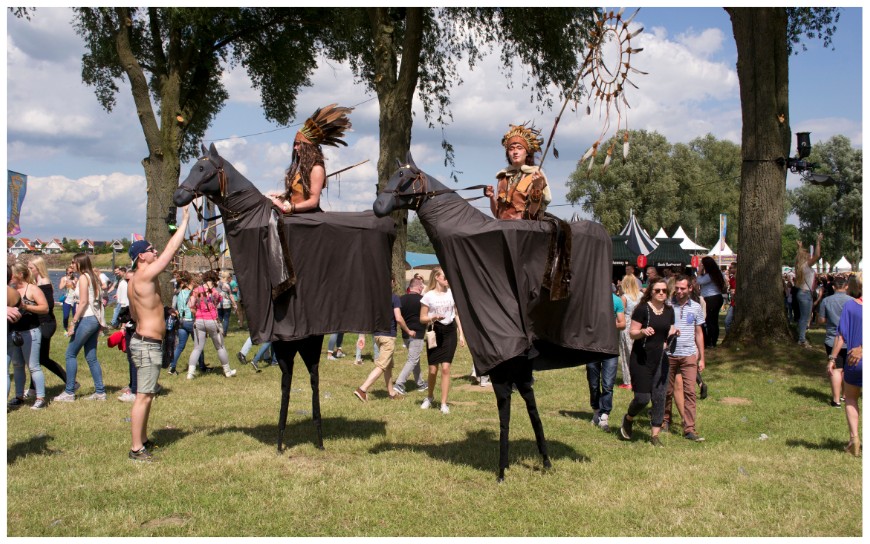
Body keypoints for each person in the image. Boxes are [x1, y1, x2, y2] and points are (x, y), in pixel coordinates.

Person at [126, 207, 191, 461]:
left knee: (148, 394)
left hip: (144, 341)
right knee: (143, 397)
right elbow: (170, 251)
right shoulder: (144, 274)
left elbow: (135, 314)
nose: (155, 251)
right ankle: (136, 449)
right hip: (147, 345)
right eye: (151, 249)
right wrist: (185, 221)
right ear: (141, 257)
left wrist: (160, 311)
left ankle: (142, 439)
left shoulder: (134, 280)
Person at [619, 278, 678, 447]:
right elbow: (632, 332)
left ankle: (654, 435)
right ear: (650, 291)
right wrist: (643, 331)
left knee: (659, 397)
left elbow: (669, 331)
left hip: (661, 359)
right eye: (657, 290)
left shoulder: (669, 311)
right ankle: (629, 418)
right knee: (642, 398)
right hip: (641, 358)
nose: (661, 293)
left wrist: (674, 334)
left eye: (664, 291)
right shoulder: (642, 309)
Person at [267, 104, 353, 214]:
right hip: (296, 216)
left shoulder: (317, 169)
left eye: (298, 144)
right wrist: (282, 198)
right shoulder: (301, 168)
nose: (295, 147)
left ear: (307, 147)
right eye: (295, 144)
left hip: (309, 219)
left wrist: (285, 208)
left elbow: (312, 202)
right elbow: (299, 197)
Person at [53, 254, 108, 402]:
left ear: (80, 263)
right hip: (95, 319)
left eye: (73, 263)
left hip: (87, 319)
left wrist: (73, 323)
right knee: (91, 357)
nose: (71, 265)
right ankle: (100, 392)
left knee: (70, 354)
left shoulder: (84, 277)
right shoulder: (93, 276)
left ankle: (69, 392)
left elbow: (83, 302)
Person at [354, 274, 414, 402]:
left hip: (377, 336)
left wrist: (363, 336)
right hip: (388, 337)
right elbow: (398, 318)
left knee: (388, 365)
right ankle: (362, 389)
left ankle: (392, 393)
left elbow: (368, 318)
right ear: (392, 282)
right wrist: (408, 331)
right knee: (382, 366)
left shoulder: (375, 299)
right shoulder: (394, 298)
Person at [25, 257, 76, 397]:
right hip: (41, 323)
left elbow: (47, 306)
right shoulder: (36, 282)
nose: (29, 270)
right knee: (37, 359)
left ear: (38, 268)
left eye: (31, 268)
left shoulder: (44, 282)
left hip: (46, 324)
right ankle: (33, 389)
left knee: (41, 359)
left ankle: (71, 382)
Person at [663, 275, 706, 441]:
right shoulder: (667, 305)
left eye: (682, 288)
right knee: (667, 390)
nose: (679, 291)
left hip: (689, 354)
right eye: (677, 288)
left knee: (690, 392)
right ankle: (665, 420)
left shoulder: (696, 307)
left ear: (690, 288)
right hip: (669, 354)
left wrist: (701, 357)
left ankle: (689, 428)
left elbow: (699, 332)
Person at [419, 267, 465, 414]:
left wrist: (461, 333)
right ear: (437, 277)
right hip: (434, 331)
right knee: (433, 370)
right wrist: (433, 317)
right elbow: (422, 318)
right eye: (445, 276)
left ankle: (444, 404)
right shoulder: (428, 296)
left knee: (445, 368)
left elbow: (456, 314)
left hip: (450, 332)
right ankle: (429, 397)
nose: (447, 279)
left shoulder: (452, 293)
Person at [483, 123, 551, 220]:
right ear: (508, 153)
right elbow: (497, 214)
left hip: (524, 228)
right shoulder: (502, 177)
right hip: (502, 227)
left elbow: (533, 215)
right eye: (511, 149)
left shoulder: (536, 176)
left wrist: (537, 188)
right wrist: (491, 197)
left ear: (527, 152)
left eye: (519, 148)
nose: (515, 152)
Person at [827, 272, 862, 456]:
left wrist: (832, 359)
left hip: (854, 361)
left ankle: (854, 438)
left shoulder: (850, 305)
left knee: (850, 398)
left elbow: (840, 336)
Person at [8, 262, 50, 410]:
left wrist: (26, 306)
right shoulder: (12, 290)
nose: (9, 277)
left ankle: (40, 398)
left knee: (33, 366)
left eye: (12, 274)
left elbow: (45, 308)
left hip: (30, 331)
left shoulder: (32, 289)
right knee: (17, 366)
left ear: (20, 275)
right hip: (15, 333)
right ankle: (19, 396)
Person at [588, 287, 625, 431]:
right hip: (592, 348)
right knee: (593, 383)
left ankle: (604, 415)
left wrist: (608, 323)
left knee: (608, 384)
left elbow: (622, 324)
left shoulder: (616, 300)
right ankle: (596, 410)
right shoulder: (591, 300)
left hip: (610, 348)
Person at [187, 269, 236, 379]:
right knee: (220, 347)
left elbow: (191, 305)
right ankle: (227, 371)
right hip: (212, 320)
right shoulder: (216, 290)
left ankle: (190, 373)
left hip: (199, 321)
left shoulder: (196, 290)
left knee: (197, 348)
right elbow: (218, 301)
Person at [819, 276, 853, 407]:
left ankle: (836, 400)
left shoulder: (826, 300)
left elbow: (822, 320)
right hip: (850, 339)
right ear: (846, 287)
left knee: (836, 369)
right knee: (846, 369)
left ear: (833, 287)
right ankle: (845, 396)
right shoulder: (852, 301)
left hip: (833, 339)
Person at [393, 276, 428, 395]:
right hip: (416, 334)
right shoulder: (422, 300)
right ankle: (399, 384)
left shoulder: (401, 299)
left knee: (415, 358)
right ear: (419, 288)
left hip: (405, 334)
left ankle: (420, 383)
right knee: (413, 359)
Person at [169, 272, 206, 375]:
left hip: (182, 322)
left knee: (180, 346)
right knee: (199, 346)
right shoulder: (193, 293)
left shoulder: (179, 293)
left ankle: (172, 367)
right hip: (192, 321)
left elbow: (175, 306)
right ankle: (202, 365)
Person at [794, 233, 823, 348]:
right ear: (805, 257)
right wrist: (818, 242)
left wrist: (799, 248)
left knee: (804, 318)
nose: (809, 257)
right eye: (807, 256)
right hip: (806, 294)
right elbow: (817, 256)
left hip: (803, 293)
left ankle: (802, 338)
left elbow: (798, 258)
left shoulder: (799, 266)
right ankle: (801, 339)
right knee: (805, 318)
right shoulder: (806, 266)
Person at [696, 256, 726, 349]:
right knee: (712, 321)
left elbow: (698, 281)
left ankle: (711, 342)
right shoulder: (715, 274)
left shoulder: (709, 276)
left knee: (710, 321)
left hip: (711, 298)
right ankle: (712, 341)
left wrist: (699, 271)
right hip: (715, 298)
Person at [618, 273, 641, 390]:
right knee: (638, 352)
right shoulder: (642, 295)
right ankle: (639, 377)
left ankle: (628, 381)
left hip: (627, 324)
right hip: (640, 325)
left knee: (626, 353)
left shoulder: (624, 297)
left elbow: (621, 313)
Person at [217, 270, 237, 337]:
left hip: (219, 303)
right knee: (226, 319)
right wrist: (235, 304)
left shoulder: (218, 284)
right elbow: (231, 296)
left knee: (219, 318)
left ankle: (219, 332)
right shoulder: (228, 285)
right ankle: (224, 333)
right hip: (227, 303)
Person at [59, 265, 78, 334]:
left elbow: (77, 289)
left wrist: (74, 285)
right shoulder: (63, 279)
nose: (71, 274)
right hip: (67, 299)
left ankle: (74, 328)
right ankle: (65, 328)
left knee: (75, 316)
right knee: (66, 316)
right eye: (69, 272)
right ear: (66, 272)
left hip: (74, 299)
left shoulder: (75, 279)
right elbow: (60, 287)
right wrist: (66, 281)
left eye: (72, 272)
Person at [724, 262, 737, 334]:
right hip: (733, 303)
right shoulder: (731, 280)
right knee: (727, 321)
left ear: (736, 269)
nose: (729, 269)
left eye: (731, 268)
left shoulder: (741, 280)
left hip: (739, 303)